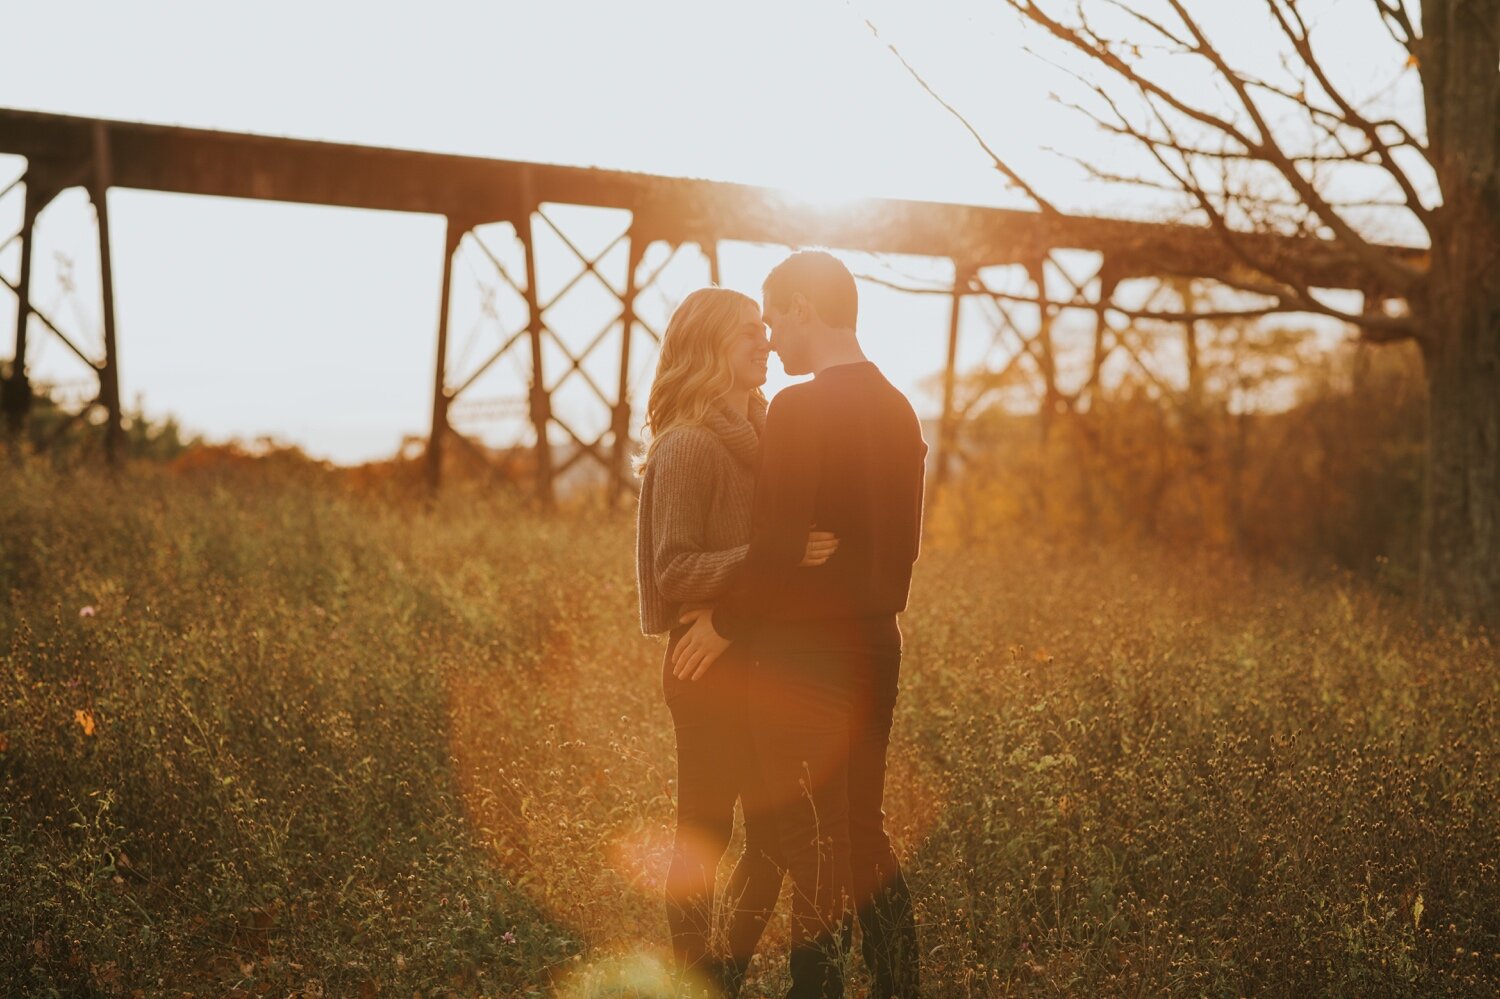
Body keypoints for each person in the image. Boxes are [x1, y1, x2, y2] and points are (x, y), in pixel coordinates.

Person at [672, 251, 926, 999]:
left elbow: (781, 541)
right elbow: (901, 549)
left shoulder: (802, 408)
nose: (773, 338)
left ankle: (813, 988)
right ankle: (900, 980)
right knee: (861, 828)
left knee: (809, 837)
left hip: (804, 654)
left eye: (775, 317)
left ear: (805, 308)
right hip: (879, 644)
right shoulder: (898, 408)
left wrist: (725, 621)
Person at [635, 286, 840, 997]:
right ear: (708, 348)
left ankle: (722, 968)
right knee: (704, 837)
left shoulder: (762, 434)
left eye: (765, 328)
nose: (765, 341)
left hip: (759, 656)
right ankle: (698, 980)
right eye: (747, 332)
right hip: (704, 662)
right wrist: (772, 554)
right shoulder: (691, 444)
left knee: (775, 840)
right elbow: (675, 566)